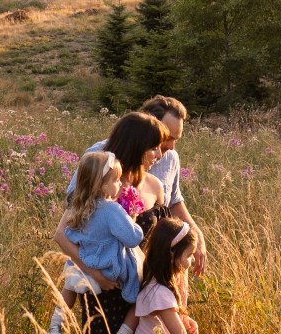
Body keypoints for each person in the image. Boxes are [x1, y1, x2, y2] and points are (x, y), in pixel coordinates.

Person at [51, 110, 167, 334]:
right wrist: (96, 276)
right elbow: (62, 235)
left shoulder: (153, 185)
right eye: (153, 148)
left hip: (139, 286)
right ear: (137, 146)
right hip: (103, 290)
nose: (158, 155)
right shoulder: (99, 184)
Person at [65, 96, 206, 275]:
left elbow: (174, 201)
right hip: (107, 264)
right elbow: (74, 208)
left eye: (175, 139)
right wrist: (95, 275)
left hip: (150, 267)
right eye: (166, 137)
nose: (170, 146)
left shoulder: (170, 157)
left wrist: (196, 233)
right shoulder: (102, 156)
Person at [43, 150, 143, 334]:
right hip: (109, 271)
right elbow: (132, 238)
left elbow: (71, 234)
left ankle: (56, 324)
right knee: (143, 291)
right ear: (103, 185)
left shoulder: (82, 207)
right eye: (116, 180)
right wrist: (133, 219)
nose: (121, 184)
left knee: (70, 272)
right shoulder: (111, 209)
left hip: (86, 268)